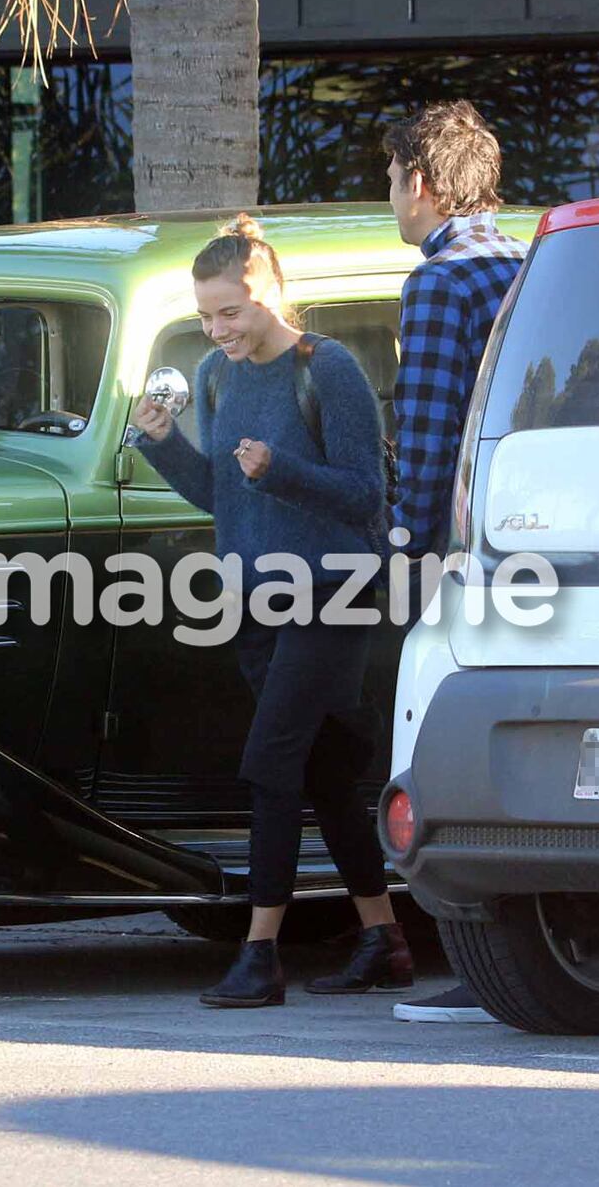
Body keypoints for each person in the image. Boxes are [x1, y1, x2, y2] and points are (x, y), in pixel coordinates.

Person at [133, 214, 410, 1008]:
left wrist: (282, 469)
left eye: (234, 309)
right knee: (322, 773)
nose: (219, 329)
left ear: (273, 293)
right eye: (207, 315)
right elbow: (224, 497)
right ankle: (383, 938)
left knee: (271, 764)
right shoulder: (218, 379)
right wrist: (165, 444)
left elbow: (367, 495)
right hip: (257, 601)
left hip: (334, 593)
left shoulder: (330, 370)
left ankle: (260, 958)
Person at [384, 101, 528, 1024]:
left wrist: (403, 551)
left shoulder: (440, 284)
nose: (389, 197)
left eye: (390, 179)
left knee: (429, 750)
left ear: (423, 184)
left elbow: (430, 437)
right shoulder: (523, 262)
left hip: (463, 548)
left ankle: (468, 957)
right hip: (530, 533)